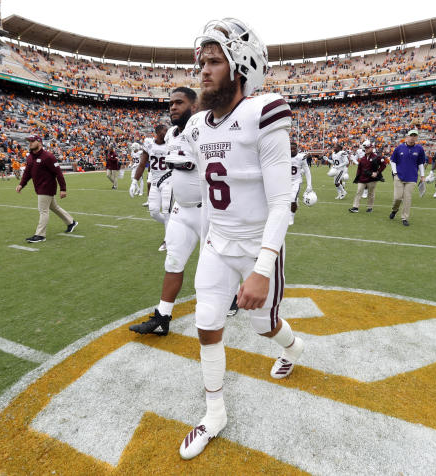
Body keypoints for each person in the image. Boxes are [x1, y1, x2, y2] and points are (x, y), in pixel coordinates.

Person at [178, 18, 304, 460]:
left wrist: (261, 270)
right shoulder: (196, 128)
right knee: (205, 324)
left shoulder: (263, 112)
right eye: (202, 61)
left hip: (256, 248)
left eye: (214, 61)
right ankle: (215, 413)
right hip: (219, 244)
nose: (204, 70)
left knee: (263, 326)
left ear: (240, 66)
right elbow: (207, 198)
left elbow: (280, 202)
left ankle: (294, 345)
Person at [129, 87, 199, 336]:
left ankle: (233, 296)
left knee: (220, 264)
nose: (173, 107)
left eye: (179, 102)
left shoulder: (205, 128)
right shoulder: (170, 133)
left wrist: (186, 162)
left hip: (210, 210)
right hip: (181, 209)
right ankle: (163, 316)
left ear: (194, 105)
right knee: (173, 262)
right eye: (171, 103)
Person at [16, 135, 78, 243]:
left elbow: (58, 173)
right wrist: (21, 184)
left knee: (43, 211)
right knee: (54, 207)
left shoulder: (48, 156)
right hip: (39, 187)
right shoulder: (30, 157)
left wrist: (63, 189)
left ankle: (40, 235)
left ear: (39, 143)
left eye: (32, 141)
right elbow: (27, 173)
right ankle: (71, 222)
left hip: (47, 187)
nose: (30, 143)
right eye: (29, 141)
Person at [133, 125, 170, 251]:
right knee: (154, 212)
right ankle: (173, 224)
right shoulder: (149, 145)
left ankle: (167, 240)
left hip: (168, 181)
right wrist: (134, 181)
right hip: (154, 182)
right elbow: (142, 164)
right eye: (165, 130)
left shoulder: (171, 143)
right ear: (158, 132)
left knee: (166, 211)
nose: (167, 132)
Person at [389, 129, 426, 226]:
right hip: (399, 176)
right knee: (397, 197)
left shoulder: (419, 149)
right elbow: (392, 161)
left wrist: (422, 176)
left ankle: (404, 217)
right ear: (407, 136)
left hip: (412, 178)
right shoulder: (399, 148)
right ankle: (394, 210)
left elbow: (421, 163)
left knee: (407, 199)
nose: (413, 137)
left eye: (415, 136)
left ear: (417, 137)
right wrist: (395, 172)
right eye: (411, 135)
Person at [349, 140, 386, 213]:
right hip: (362, 179)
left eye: (368, 148)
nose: (366, 149)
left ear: (371, 148)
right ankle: (355, 207)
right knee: (358, 192)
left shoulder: (376, 157)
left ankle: (370, 207)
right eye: (365, 148)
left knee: (371, 194)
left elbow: (383, 165)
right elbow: (359, 168)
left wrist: (377, 172)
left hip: (372, 179)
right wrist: (357, 177)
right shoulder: (363, 158)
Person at [289, 143, 313, 225]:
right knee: (285, 201)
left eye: (294, 149)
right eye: (290, 149)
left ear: (297, 149)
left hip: (296, 181)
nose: (292, 151)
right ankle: (296, 201)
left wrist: (309, 184)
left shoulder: (301, 157)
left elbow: (307, 171)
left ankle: (291, 217)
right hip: (285, 181)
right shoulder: (284, 156)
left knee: (292, 199)